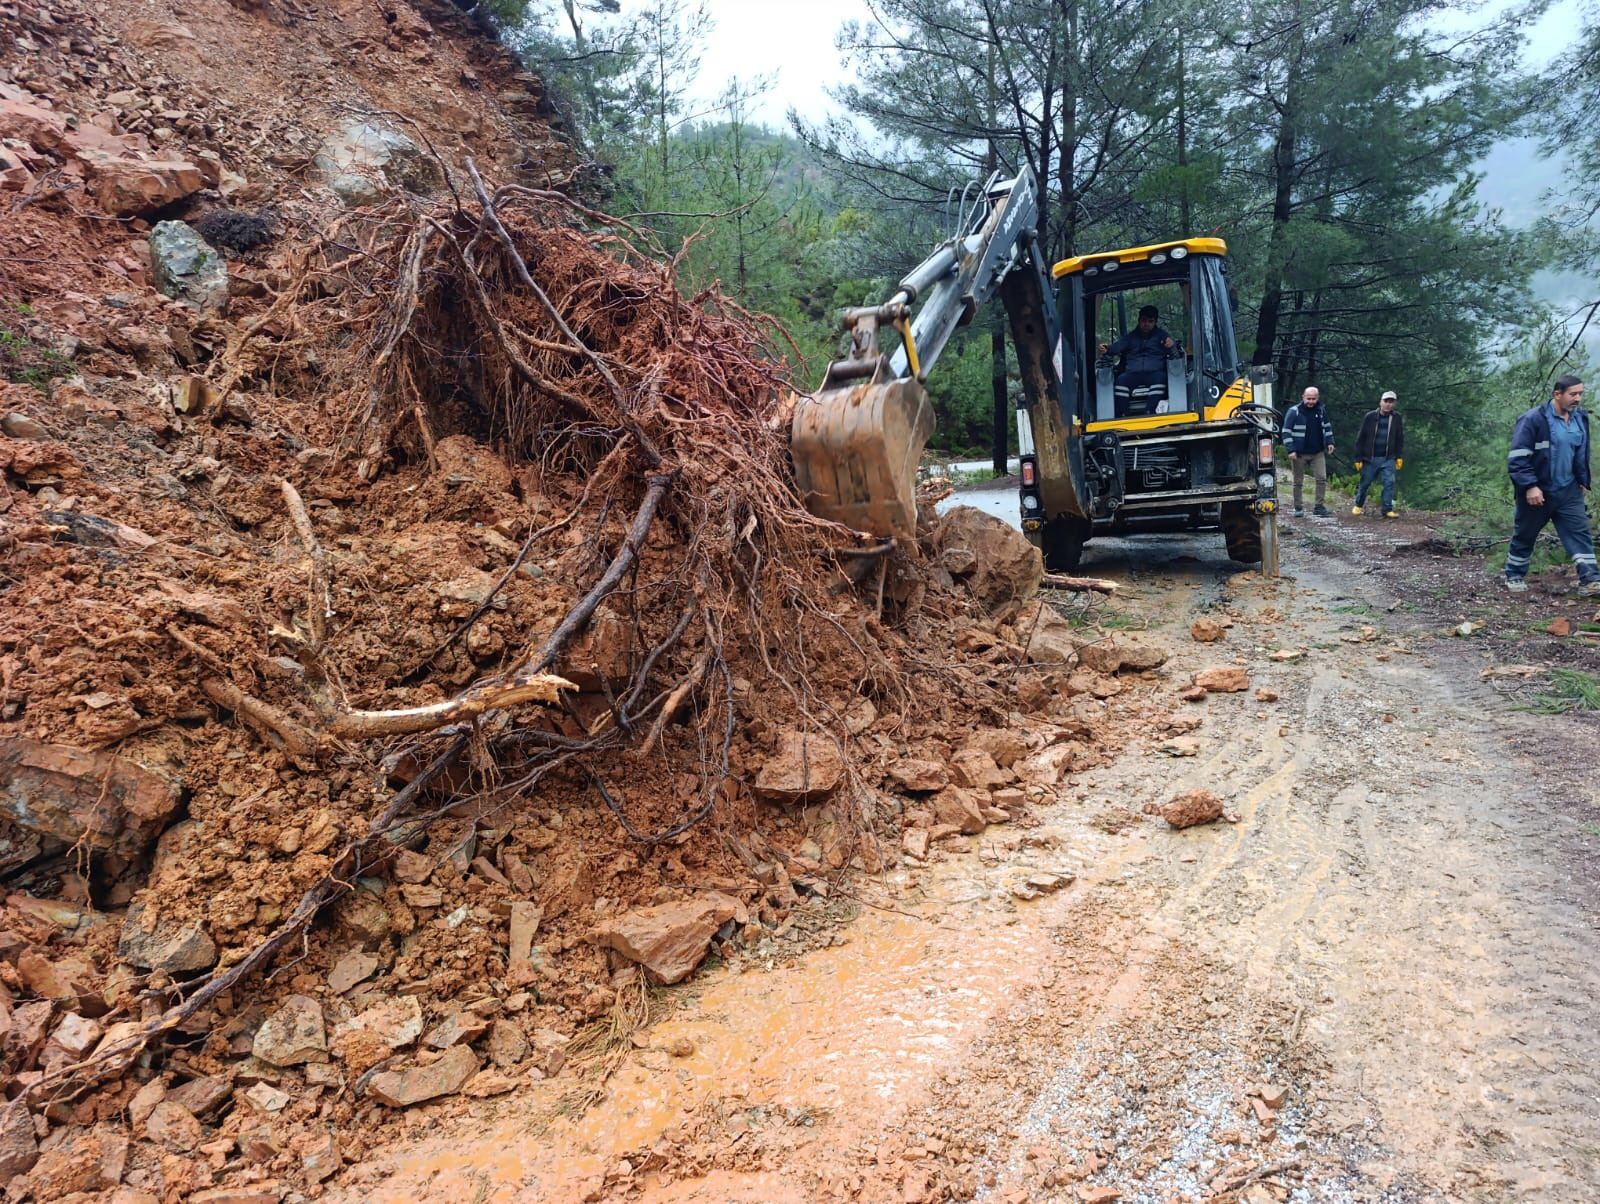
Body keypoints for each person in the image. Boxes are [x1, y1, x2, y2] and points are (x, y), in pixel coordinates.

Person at [1505, 374, 1600, 596]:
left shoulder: (1579, 419)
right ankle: (1514, 575)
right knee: (1525, 534)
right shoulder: (1532, 420)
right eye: (1573, 394)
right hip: (1538, 490)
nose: (1577, 398)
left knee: (1580, 534)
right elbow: (1518, 459)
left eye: (1580, 394)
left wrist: (1582, 479)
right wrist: (1530, 486)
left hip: (1568, 490)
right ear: (1557, 394)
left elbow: (1580, 451)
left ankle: (1591, 581)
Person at [1281, 386, 1335, 517]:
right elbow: (1285, 431)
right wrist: (1291, 449)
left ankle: (1319, 506)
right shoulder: (1294, 412)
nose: (1311, 401)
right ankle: (1298, 507)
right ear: (1303, 397)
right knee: (1298, 481)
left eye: (1314, 399)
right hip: (1299, 453)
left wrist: (1330, 442)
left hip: (1317, 452)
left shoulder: (1321, 410)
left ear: (1317, 398)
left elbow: (1327, 427)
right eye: (1309, 398)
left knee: (1321, 478)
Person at [1352, 390, 1405, 518]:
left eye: (1391, 402)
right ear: (1380, 402)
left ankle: (1387, 509)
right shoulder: (1370, 417)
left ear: (1394, 404)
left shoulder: (1397, 418)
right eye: (1386, 401)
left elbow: (1399, 438)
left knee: (1389, 482)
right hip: (1370, 457)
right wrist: (1358, 458)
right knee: (1365, 482)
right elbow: (1361, 438)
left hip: (1388, 457)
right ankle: (1358, 504)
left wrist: (1398, 456)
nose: (1388, 404)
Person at [1098, 305, 1175, 393]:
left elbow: (1173, 348)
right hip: (1132, 373)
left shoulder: (1162, 335)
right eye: (1144, 320)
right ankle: (1121, 407)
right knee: (1120, 382)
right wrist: (1107, 349)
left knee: (1161, 382)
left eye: (1150, 321)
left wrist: (1172, 344)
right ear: (1139, 320)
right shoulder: (1129, 338)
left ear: (1155, 322)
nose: (1146, 324)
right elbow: (1116, 347)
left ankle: (1152, 407)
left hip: (1155, 373)